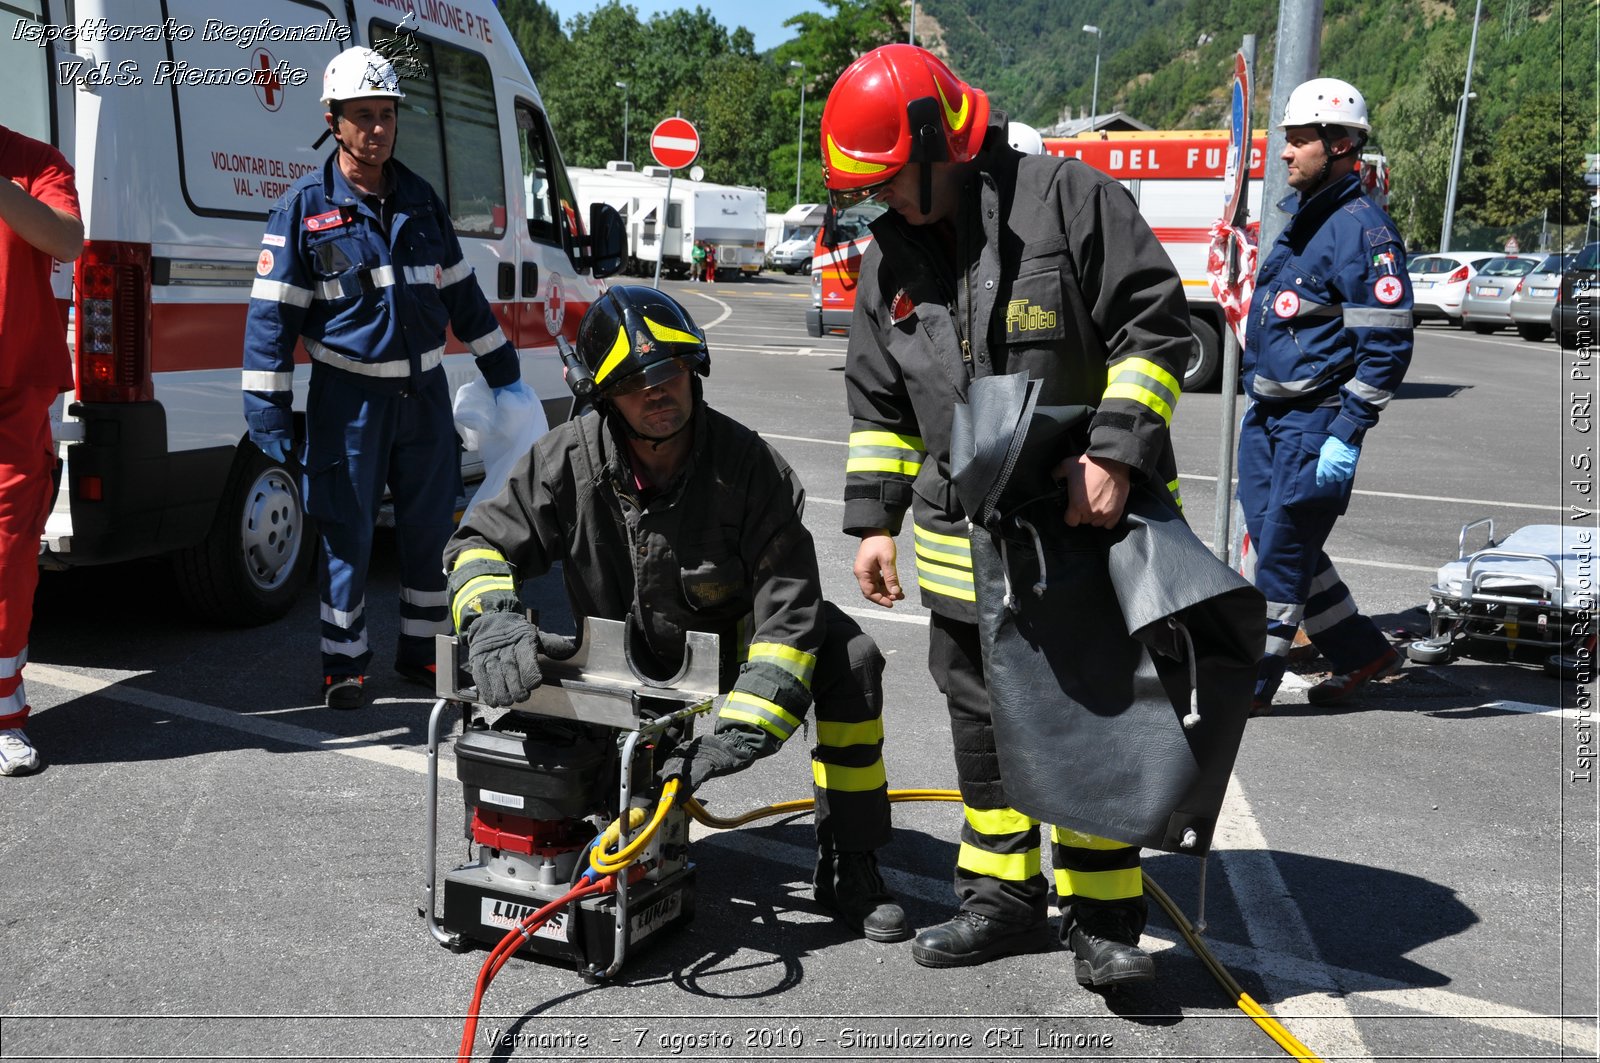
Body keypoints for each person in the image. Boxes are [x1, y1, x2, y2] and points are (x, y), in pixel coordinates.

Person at [820, 45, 1192, 987]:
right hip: (960, 549)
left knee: (1092, 712)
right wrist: (874, 520)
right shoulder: (886, 261)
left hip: (1078, 533)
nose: (886, 204)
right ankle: (1003, 898)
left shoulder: (1068, 204)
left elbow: (1155, 330)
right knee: (981, 720)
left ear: (941, 143)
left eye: (892, 182)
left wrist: (1114, 449)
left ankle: (1105, 917)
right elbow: (880, 407)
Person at [443, 285, 910, 943]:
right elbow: (479, 541)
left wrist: (737, 734)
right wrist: (492, 618)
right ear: (605, 398)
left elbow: (788, 614)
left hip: (737, 652)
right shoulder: (567, 458)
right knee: (597, 786)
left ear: (695, 370)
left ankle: (851, 861)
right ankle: (598, 824)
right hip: (622, 654)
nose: (657, 392)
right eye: (634, 383)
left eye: (669, 373)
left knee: (851, 658)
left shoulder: (751, 469)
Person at [242, 47, 533, 709]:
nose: (377, 128)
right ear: (333, 122)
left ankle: (425, 656)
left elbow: (463, 296)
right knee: (346, 532)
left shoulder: (421, 201)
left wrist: (504, 373)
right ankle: (344, 668)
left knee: (431, 531)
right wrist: (265, 415)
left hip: (424, 396)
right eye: (362, 116)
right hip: (348, 400)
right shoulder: (302, 209)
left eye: (387, 115)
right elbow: (270, 320)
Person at [1238, 78, 1412, 714]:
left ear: (1340, 146)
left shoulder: (1365, 234)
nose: (1286, 154)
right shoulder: (1305, 219)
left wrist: (1348, 428)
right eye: (1286, 141)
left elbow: (1387, 346)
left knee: (1281, 557)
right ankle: (1364, 653)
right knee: (1280, 541)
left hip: (1314, 423)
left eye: (1299, 141)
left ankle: (1247, 687)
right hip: (1269, 416)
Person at [0, 124, 83, 776]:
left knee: (7, 560)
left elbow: (67, 238)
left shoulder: (33, 162)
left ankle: (5, 715)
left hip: (11, 398)